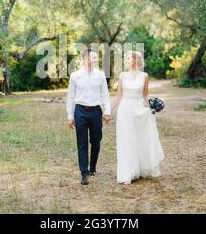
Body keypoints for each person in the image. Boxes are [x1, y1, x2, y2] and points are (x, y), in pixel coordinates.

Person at [111, 50, 165, 184]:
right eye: (125, 59)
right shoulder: (122, 76)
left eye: (128, 58)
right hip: (125, 110)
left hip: (139, 110)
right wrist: (107, 111)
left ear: (136, 60)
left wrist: (152, 106)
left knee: (139, 139)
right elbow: (118, 96)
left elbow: (146, 94)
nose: (125, 61)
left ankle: (139, 169)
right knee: (126, 140)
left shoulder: (144, 76)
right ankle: (127, 173)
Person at [66, 48, 111, 185]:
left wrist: (107, 111)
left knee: (96, 142)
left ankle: (92, 167)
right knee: (82, 143)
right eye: (93, 57)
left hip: (96, 111)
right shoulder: (75, 76)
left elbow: (105, 94)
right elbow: (71, 96)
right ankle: (84, 173)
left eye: (96, 58)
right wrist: (70, 115)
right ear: (85, 59)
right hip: (80, 111)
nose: (95, 60)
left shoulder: (100, 75)